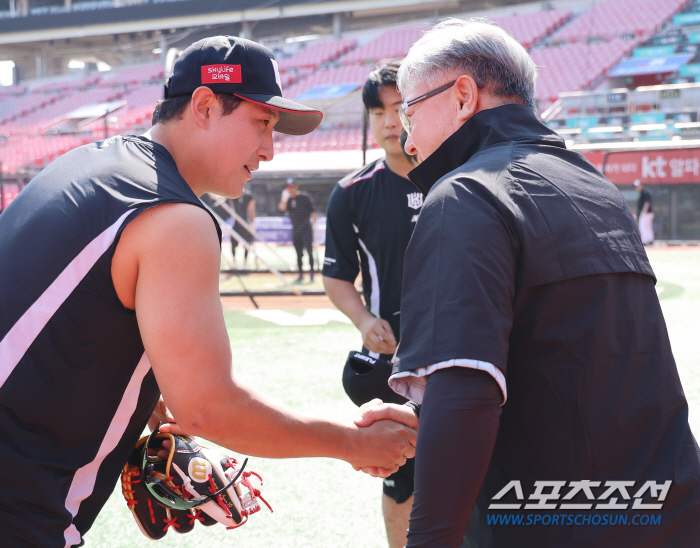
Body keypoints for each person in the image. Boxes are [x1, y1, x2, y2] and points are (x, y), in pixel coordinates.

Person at [0, 35, 418, 547]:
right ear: (203, 105)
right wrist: (353, 443)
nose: (268, 149)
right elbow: (206, 407)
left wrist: (138, 400)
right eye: (261, 123)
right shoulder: (176, 217)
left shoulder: (89, 161)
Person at [389, 18, 700, 547]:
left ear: (463, 95)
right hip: (663, 511)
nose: (407, 139)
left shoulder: (466, 193)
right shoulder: (596, 186)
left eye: (409, 111)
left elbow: (467, 388)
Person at [322, 60, 421, 548]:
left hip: (471, 352)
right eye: (378, 110)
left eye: (400, 108)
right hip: (396, 362)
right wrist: (363, 320)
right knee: (400, 475)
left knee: (484, 467)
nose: (388, 121)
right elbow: (337, 277)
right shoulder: (350, 194)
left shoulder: (465, 180)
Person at [278, 179, 317, 282]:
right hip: (296, 230)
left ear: (296, 187)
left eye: (291, 187)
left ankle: (312, 274)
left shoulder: (304, 197)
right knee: (299, 253)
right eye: (288, 187)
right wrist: (284, 199)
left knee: (309, 252)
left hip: (306, 229)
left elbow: (313, 212)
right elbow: (282, 209)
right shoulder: (288, 200)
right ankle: (300, 274)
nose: (290, 189)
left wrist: (315, 225)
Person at [231, 188, 257, 269]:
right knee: (233, 244)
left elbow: (252, 210)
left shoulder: (249, 197)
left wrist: (253, 223)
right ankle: (234, 263)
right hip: (236, 223)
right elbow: (221, 197)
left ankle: (244, 264)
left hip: (246, 224)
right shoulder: (233, 195)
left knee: (247, 244)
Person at [634, 179, 655, 245]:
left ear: (642, 185)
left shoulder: (644, 193)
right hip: (646, 213)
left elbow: (647, 202)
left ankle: (645, 241)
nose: (636, 187)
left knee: (643, 226)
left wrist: (644, 212)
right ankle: (650, 241)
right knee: (647, 227)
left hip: (646, 213)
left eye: (638, 186)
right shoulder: (641, 193)